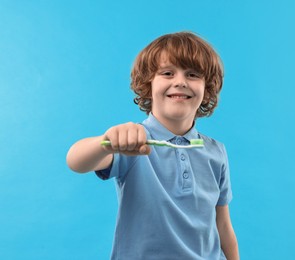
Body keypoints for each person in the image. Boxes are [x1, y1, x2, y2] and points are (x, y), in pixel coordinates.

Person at [66, 31, 239, 260]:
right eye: (167, 73)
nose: (180, 82)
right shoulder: (130, 142)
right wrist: (106, 143)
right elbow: (75, 160)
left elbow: (223, 225)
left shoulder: (216, 152)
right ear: (149, 84)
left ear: (207, 88)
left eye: (193, 74)